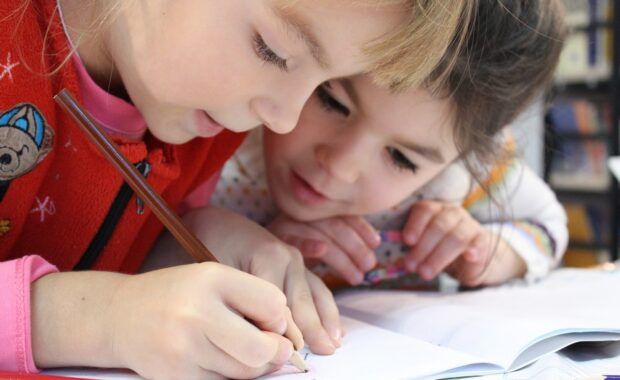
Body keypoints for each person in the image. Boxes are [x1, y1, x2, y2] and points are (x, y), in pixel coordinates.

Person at [0, 0, 474, 378]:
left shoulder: (208, 121)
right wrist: (100, 320)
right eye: (274, 51)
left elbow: (102, 252)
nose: (284, 118)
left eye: (324, 83)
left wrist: (198, 238)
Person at [208, 0, 568, 289]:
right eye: (331, 102)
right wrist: (232, 243)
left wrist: (492, 254)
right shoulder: (221, 132)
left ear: (464, 157)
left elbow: (548, 225)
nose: (339, 166)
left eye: (401, 158)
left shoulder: (457, 180)